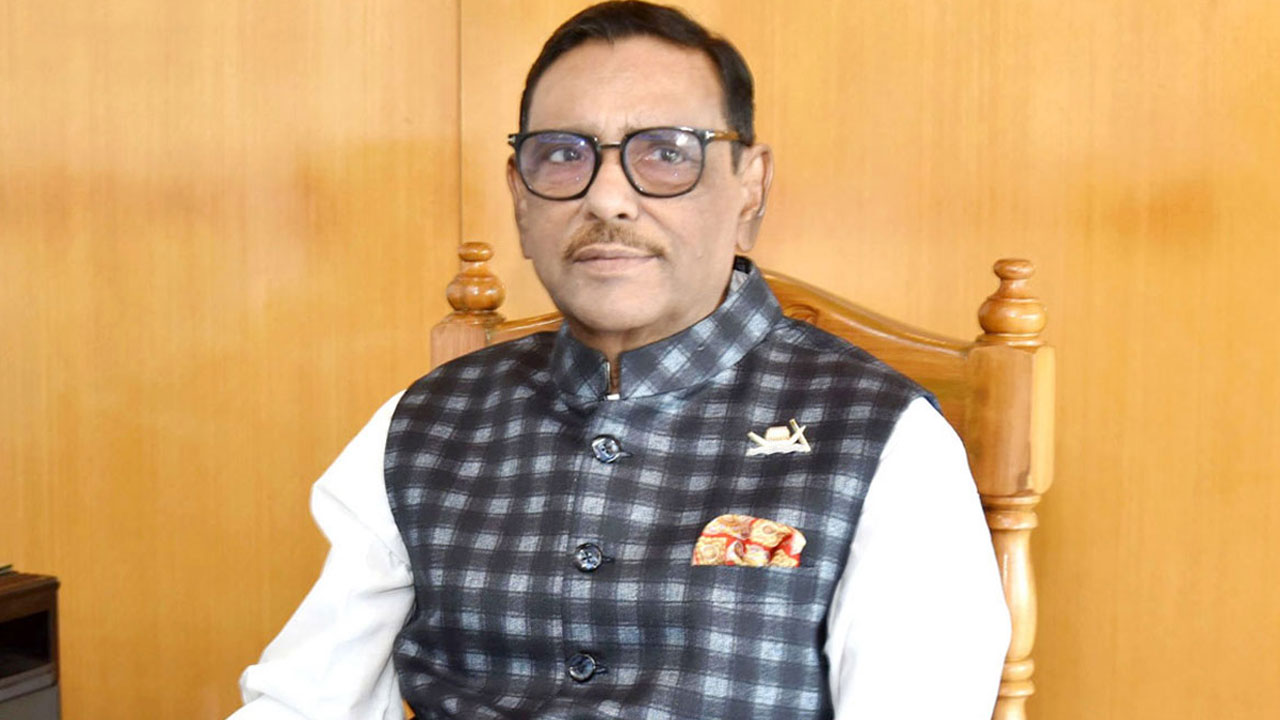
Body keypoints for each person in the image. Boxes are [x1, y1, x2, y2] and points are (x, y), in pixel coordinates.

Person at [231, 2, 1010, 719]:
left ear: (749, 187)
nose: (607, 198)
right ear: (520, 196)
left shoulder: (885, 440)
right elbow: (304, 703)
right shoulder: (421, 426)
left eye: (667, 153)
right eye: (562, 155)